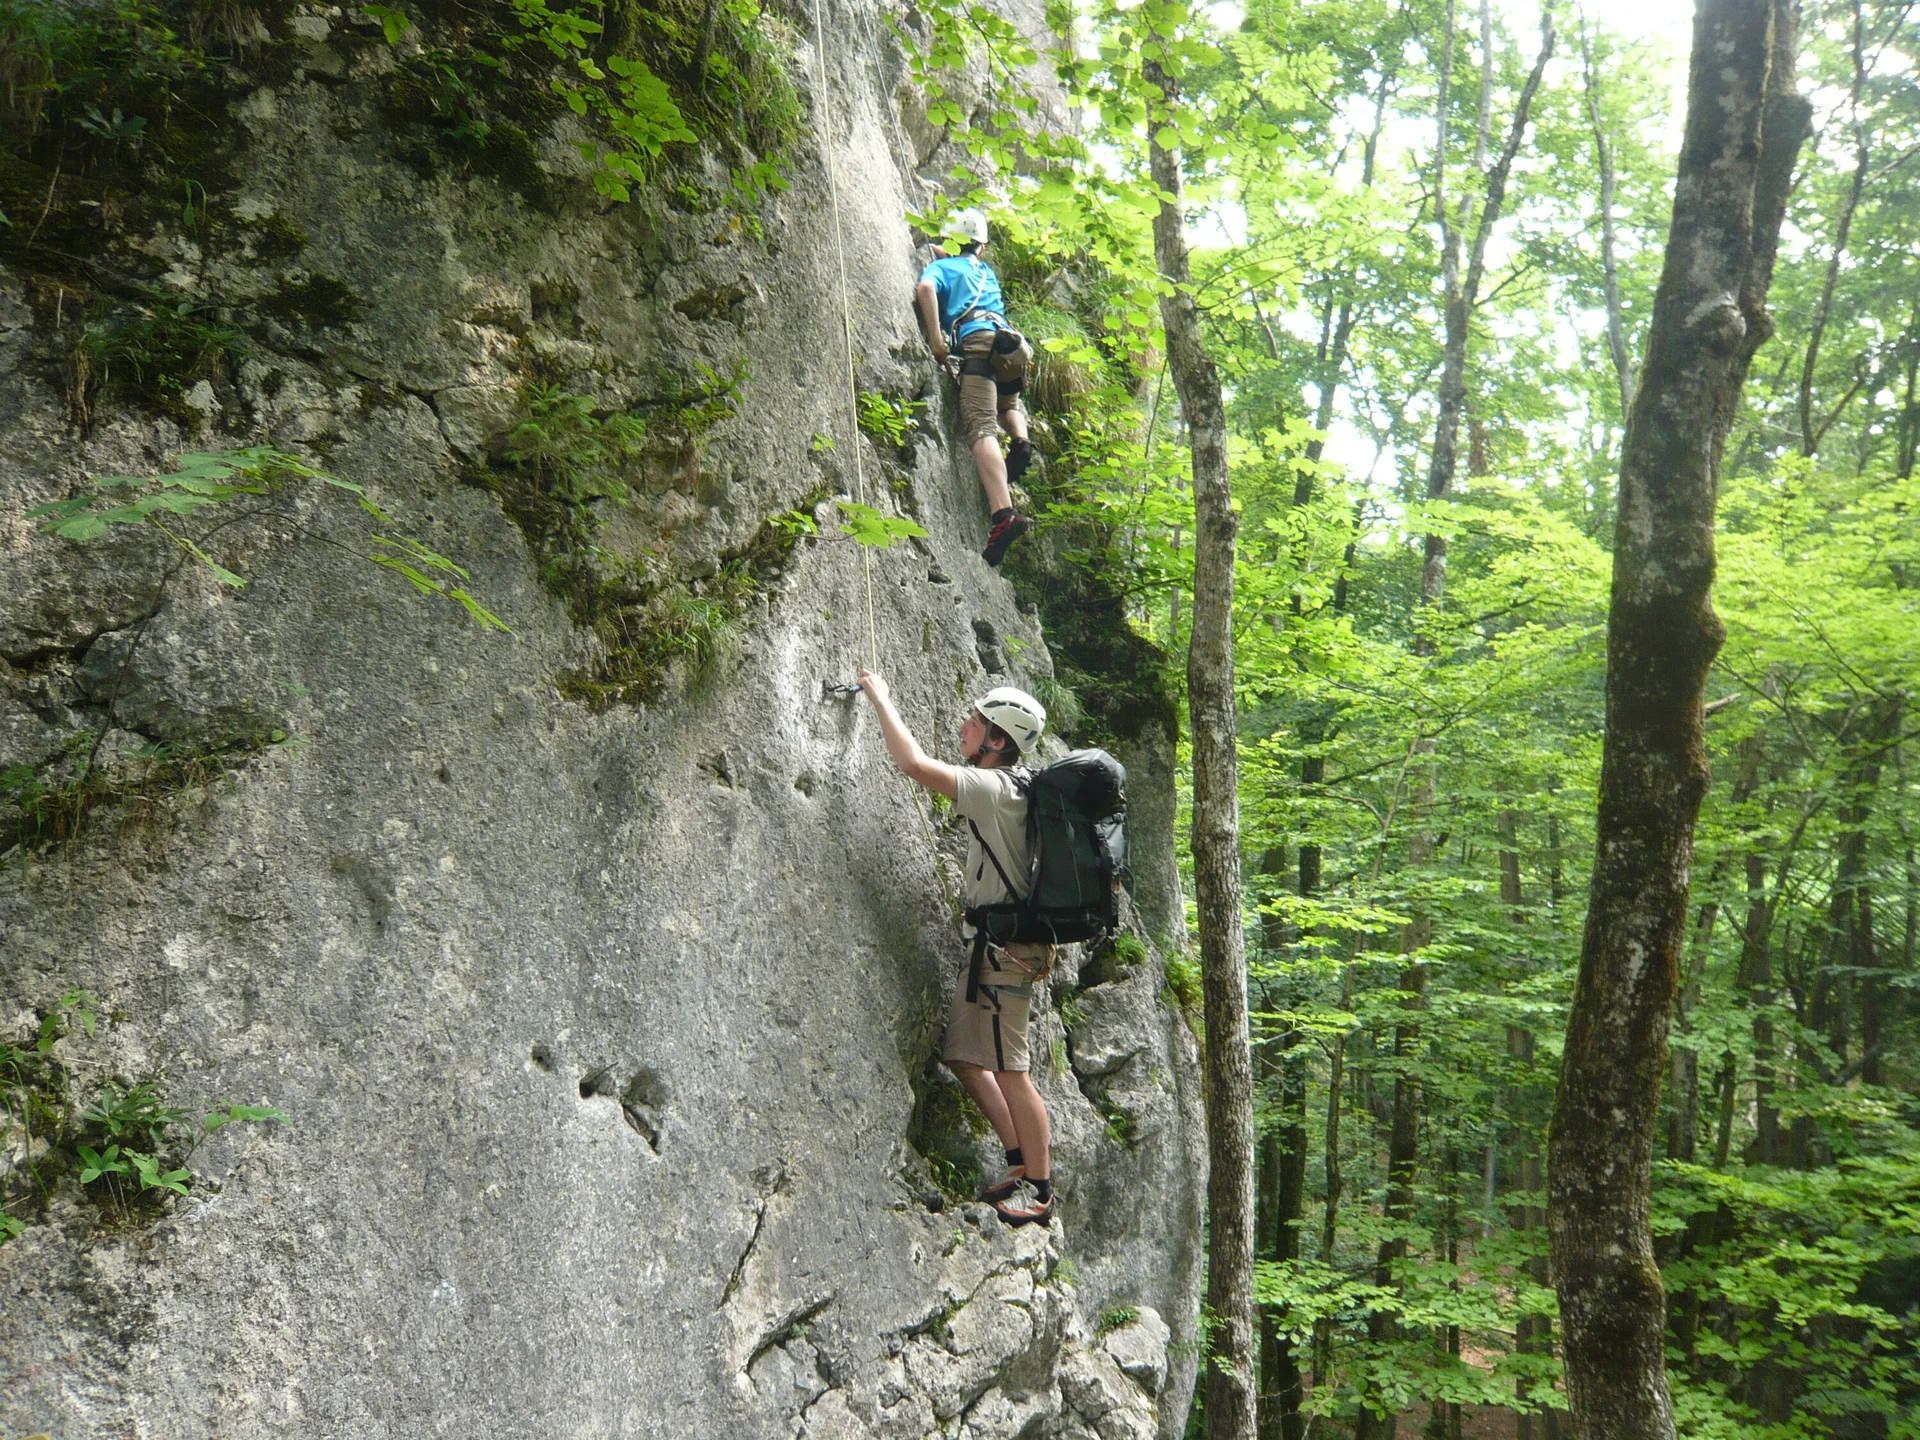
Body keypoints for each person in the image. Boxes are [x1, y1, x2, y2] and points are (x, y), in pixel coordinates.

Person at [855, 668, 1057, 1226]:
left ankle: (1039, 1194)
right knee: (965, 1059)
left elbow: (914, 766)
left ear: (998, 740)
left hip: (1007, 952)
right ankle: (1020, 1162)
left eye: (977, 721)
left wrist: (881, 697)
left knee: (1012, 1070)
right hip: (994, 948)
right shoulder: (1013, 787)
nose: (964, 725)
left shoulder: (996, 788)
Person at [915, 208, 1034, 568]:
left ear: (952, 243)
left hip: (979, 344)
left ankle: (1003, 515)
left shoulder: (943, 268)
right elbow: (960, 258)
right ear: (980, 248)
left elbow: (925, 288)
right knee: (1006, 404)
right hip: (1013, 347)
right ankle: (1021, 441)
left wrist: (937, 341)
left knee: (981, 427)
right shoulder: (985, 271)